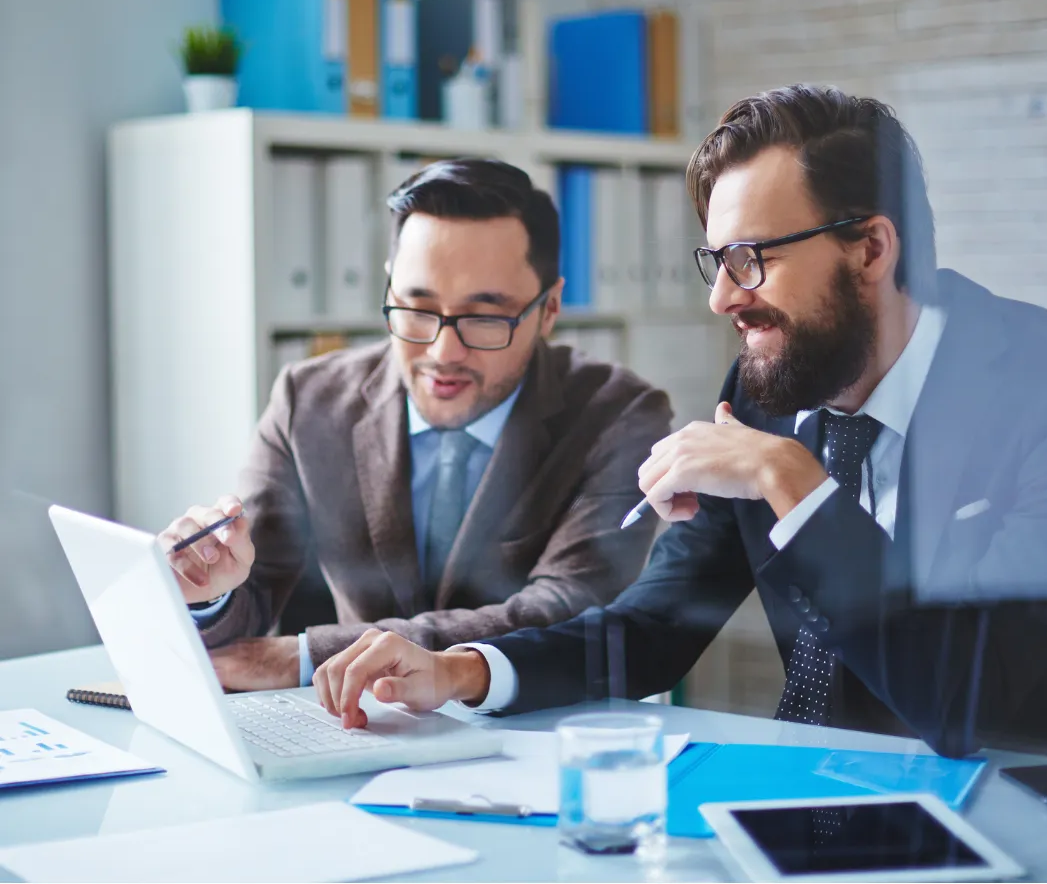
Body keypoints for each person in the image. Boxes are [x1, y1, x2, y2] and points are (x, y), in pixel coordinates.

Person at [311, 86, 1047, 761]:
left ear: (871, 247)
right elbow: (652, 630)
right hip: (838, 802)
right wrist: (459, 671)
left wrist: (792, 484)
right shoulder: (768, 392)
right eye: (717, 261)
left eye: (755, 259)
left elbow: (976, 701)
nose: (723, 299)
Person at [161, 158, 672, 690]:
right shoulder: (307, 401)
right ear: (389, 290)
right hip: (356, 727)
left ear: (549, 309)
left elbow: (566, 608)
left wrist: (308, 655)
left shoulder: (620, 414)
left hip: (535, 732)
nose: (442, 351)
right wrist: (208, 589)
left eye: (485, 317)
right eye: (417, 309)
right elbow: (252, 591)